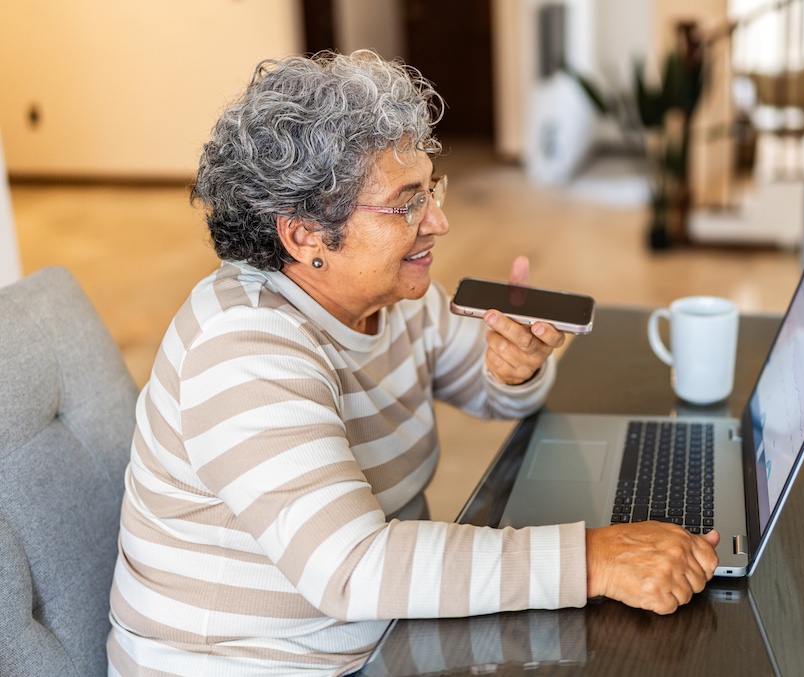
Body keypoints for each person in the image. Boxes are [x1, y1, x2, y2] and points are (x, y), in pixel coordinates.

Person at [108, 50, 720, 676]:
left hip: (381, 634)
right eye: (405, 204)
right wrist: (593, 560)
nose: (439, 221)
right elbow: (352, 570)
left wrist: (516, 368)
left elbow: (489, 386)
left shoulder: (394, 299)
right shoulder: (243, 348)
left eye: (430, 190)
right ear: (304, 235)